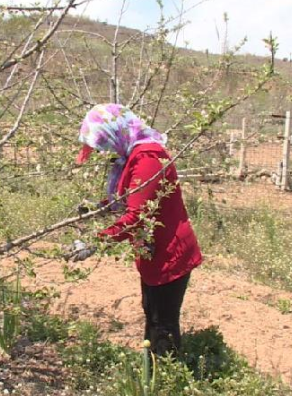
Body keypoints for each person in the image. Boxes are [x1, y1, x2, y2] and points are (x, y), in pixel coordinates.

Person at [72, 103, 203, 356]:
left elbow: (136, 216)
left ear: (115, 132)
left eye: (104, 144)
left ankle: (163, 377)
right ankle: (153, 369)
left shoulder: (148, 158)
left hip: (169, 255)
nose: (105, 152)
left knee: (161, 322)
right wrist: (97, 209)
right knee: (152, 311)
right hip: (154, 252)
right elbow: (131, 199)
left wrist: (95, 243)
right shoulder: (133, 156)